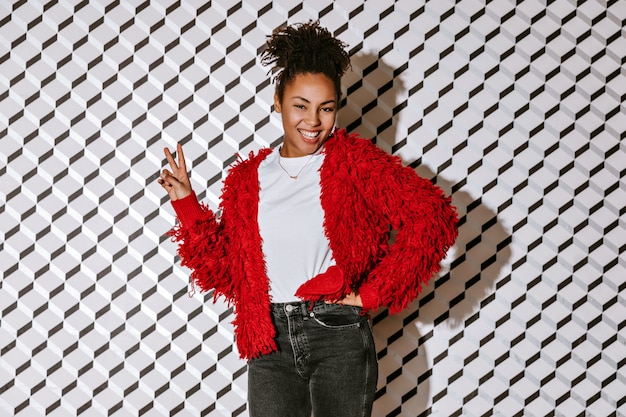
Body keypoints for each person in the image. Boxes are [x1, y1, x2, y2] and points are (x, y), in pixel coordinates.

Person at [158, 20, 458, 417]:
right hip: (269, 344)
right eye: (300, 105)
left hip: (337, 334)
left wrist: (370, 294)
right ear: (278, 101)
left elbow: (433, 216)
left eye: (326, 108)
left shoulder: (356, 163)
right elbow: (230, 273)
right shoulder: (248, 179)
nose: (313, 121)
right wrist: (186, 205)